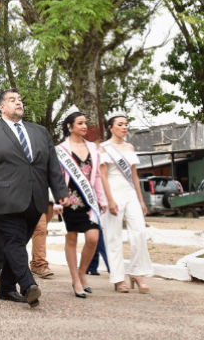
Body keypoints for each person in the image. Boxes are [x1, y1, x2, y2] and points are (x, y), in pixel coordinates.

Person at [0, 88, 69, 308]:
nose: (18, 103)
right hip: (3, 200)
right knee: (15, 242)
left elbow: (52, 165)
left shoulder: (40, 132)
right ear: (1, 107)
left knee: (14, 245)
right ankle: (28, 286)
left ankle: (6, 289)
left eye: (19, 100)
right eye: (12, 99)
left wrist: (61, 192)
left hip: (35, 199)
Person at [100, 111, 153, 293]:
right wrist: (109, 199)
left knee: (139, 232)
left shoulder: (130, 147)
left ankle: (137, 273)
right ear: (111, 127)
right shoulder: (104, 148)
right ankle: (118, 278)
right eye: (120, 124)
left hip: (130, 193)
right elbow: (103, 176)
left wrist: (141, 200)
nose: (124, 127)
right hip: (113, 193)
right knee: (114, 236)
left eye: (126, 124)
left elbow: (135, 176)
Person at [56, 111, 107, 298]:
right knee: (71, 239)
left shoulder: (93, 148)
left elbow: (98, 177)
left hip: (89, 200)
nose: (84, 126)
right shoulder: (60, 149)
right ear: (70, 126)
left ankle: (82, 272)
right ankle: (76, 280)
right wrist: (57, 201)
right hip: (70, 200)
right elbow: (57, 177)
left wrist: (102, 200)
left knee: (93, 238)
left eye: (85, 123)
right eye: (80, 123)